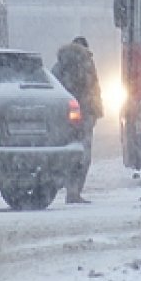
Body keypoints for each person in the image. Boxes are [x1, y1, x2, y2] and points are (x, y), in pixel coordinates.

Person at [52, 35, 104, 204]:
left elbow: (54, 88)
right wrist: (96, 112)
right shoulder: (87, 64)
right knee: (83, 153)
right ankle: (74, 191)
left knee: (68, 151)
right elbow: (94, 90)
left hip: (66, 114)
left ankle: (64, 184)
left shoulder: (59, 65)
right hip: (85, 113)